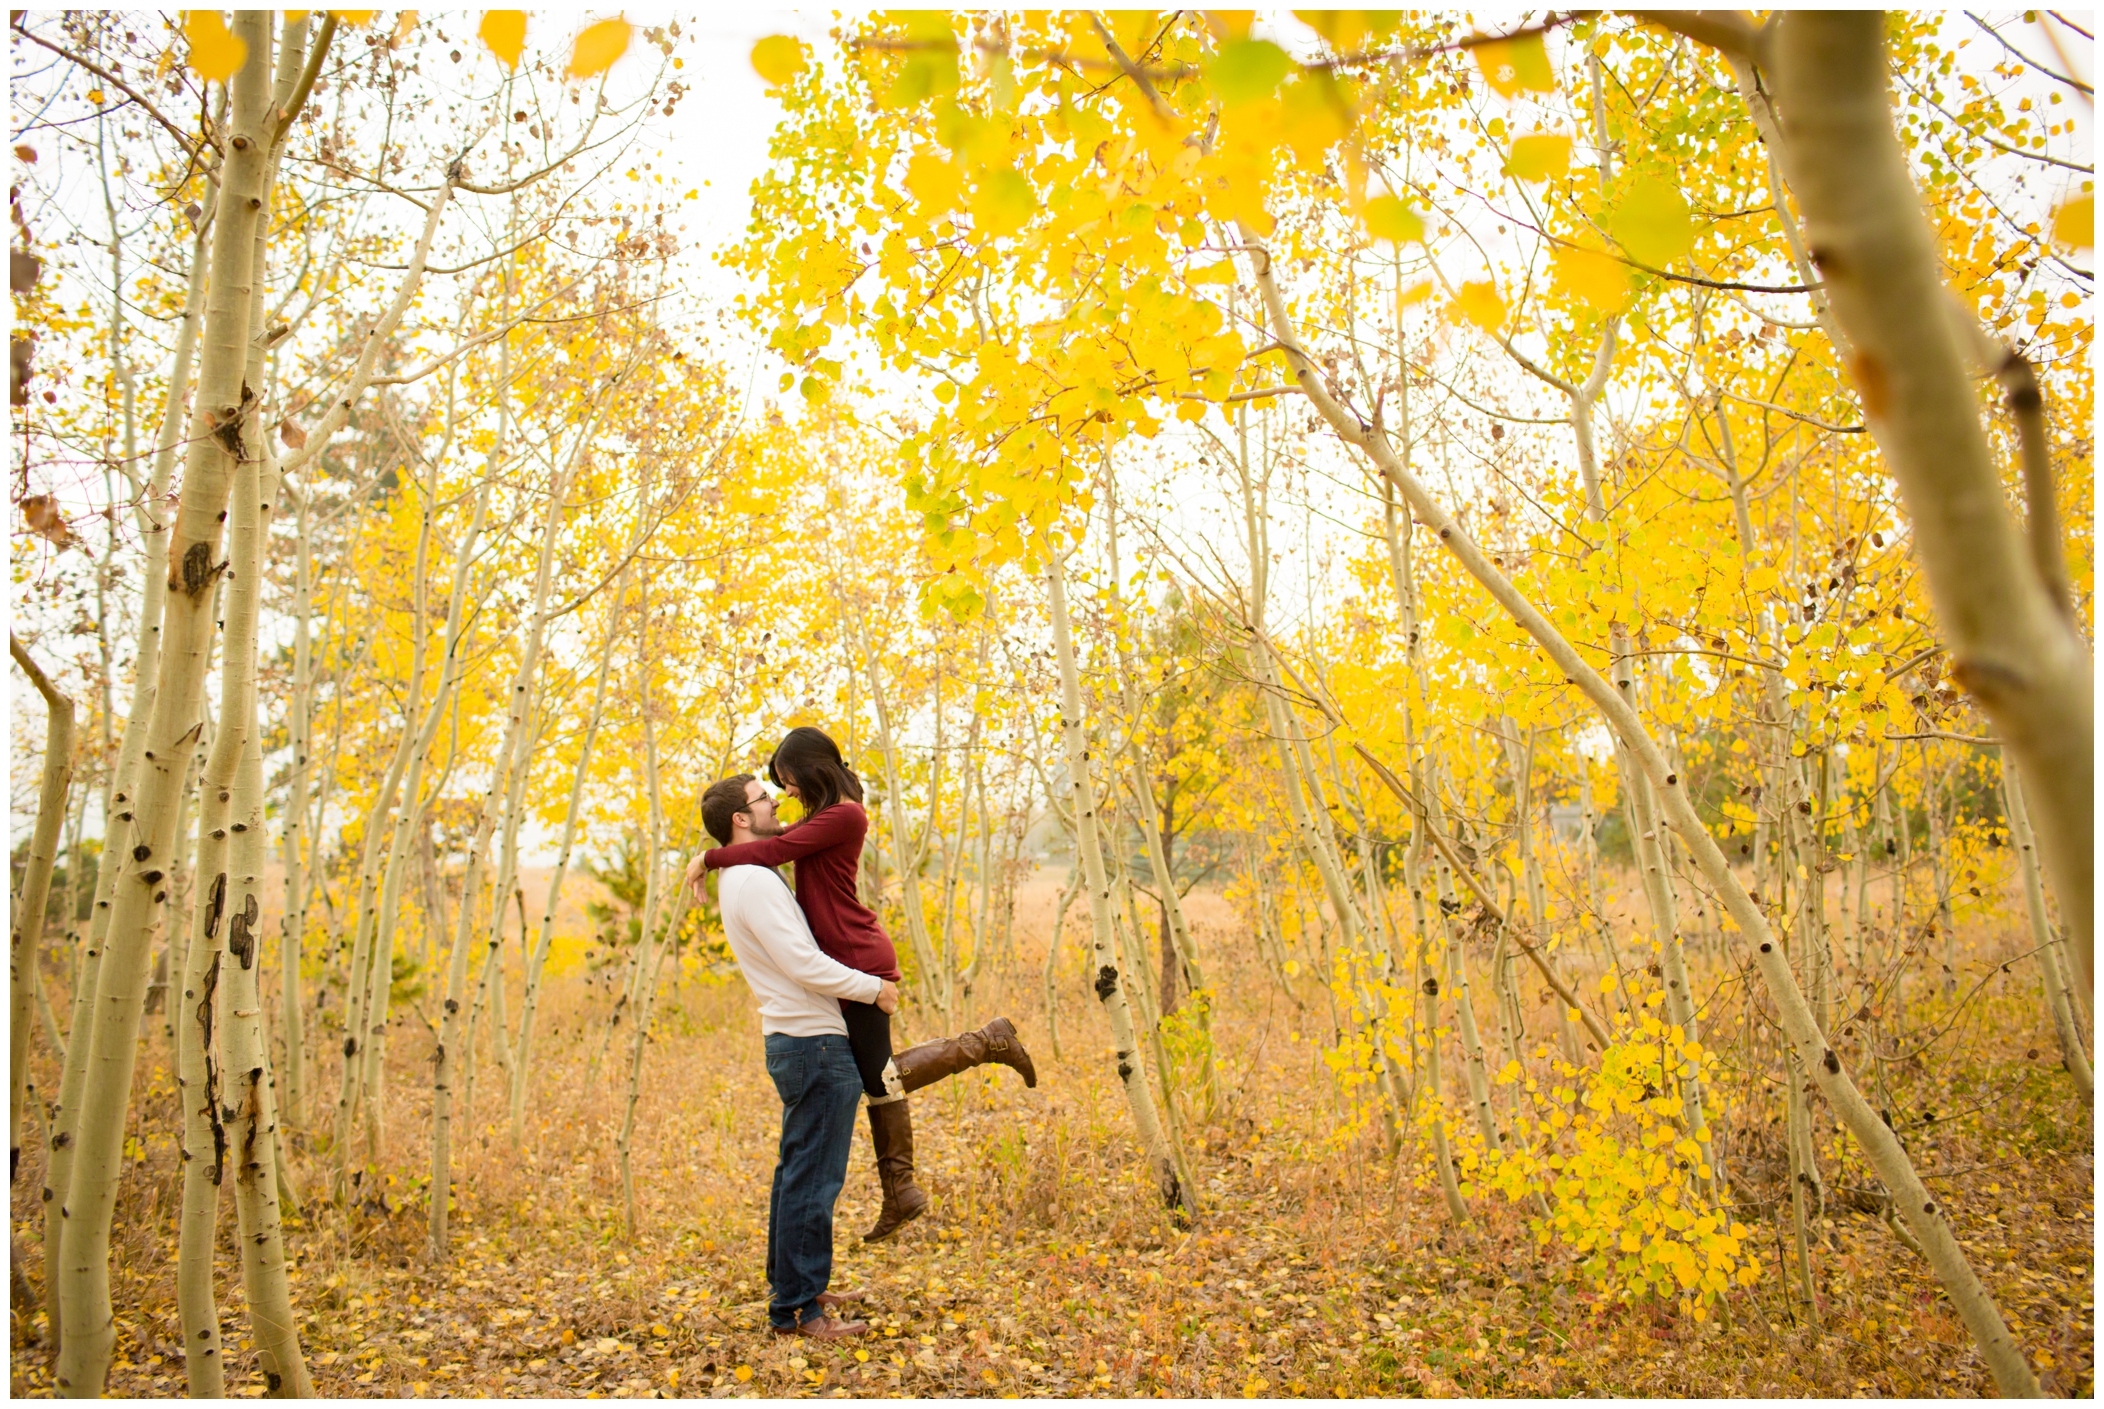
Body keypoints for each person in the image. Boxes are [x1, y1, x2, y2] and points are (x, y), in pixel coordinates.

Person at [685, 726, 1036, 1242]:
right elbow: (776, 847)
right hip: (847, 957)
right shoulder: (826, 814)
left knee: (881, 1077)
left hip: (856, 956)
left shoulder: (843, 814)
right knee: (878, 1080)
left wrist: (707, 857)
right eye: (776, 788)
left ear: (809, 770)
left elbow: (774, 851)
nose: (786, 793)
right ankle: (901, 1191)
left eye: (787, 781)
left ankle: (987, 1042)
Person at [703, 772, 888, 1340]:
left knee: (796, 1175)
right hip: (813, 1042)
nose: (777, 804)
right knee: (813, 1180)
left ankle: (795, 1285)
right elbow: (802, 963)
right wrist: (871, 987)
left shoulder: (746, 874)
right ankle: (798, 1311)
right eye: (765, 798)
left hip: (799, 1039)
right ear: (741, 818)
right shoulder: (754, 882)